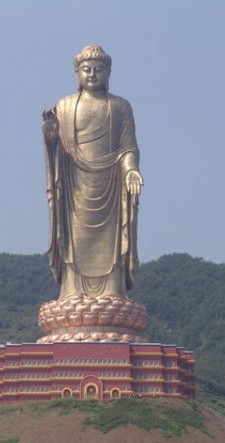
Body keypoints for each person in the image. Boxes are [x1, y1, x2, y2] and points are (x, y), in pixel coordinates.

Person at [42, 45, 144, 300]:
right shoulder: (64, 106)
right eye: (86, 69)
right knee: (74, 238)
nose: (92, 74)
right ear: (77, 73)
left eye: (98, 69)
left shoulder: (120, 107)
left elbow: (128, 147)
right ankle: (71, 290)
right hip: (73, 183)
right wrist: (50, 137)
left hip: (111, 183)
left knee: (112, 240)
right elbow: (57, 149)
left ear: (108, 73)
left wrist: (131, 169)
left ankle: (113, 289)